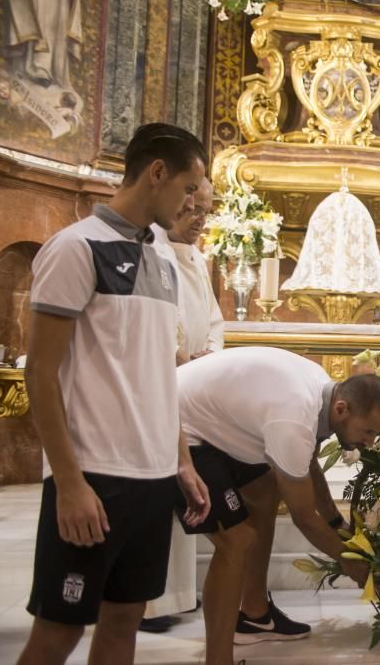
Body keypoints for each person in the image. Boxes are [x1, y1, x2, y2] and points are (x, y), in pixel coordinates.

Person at [17, 122, 211, 665]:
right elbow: (41, 373)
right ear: (156, 173)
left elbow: (158, 373)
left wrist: (181, 461)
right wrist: (69, 483)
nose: (193, 202)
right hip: (95, 475)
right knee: (59, 631)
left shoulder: (165, 259)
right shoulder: (74, 248)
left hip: (152, 477)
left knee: (125, 618)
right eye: (189, 187)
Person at [175, 346, 380, 665]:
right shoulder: (296, 415)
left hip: (210, 425)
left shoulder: (322, 390)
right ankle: (218, 660)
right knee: (236, 541)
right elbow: (304, 517)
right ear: (342, 409)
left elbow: (308, 465)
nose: (370, 442)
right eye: (368, 431)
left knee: (264, 491)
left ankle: (255, 614)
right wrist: (351, 564)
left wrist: (337, 523)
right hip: (175, 428)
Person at [141, 178, 223, 633]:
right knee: (162, 485)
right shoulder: (151, 253)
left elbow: (213, 317)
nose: (200, 221)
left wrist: (209, 353)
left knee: (184, 490)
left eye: (207, 213)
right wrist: (179, 356)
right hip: (161, 379)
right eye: (194, 210)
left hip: (189, 383)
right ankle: (150, 602)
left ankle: (174, 593)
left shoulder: (198, 260)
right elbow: (158, 318)